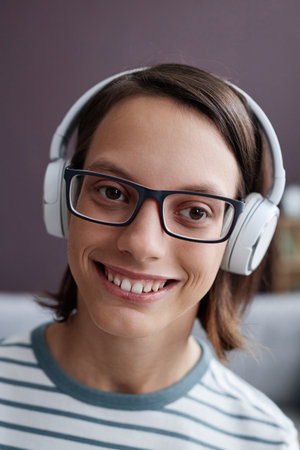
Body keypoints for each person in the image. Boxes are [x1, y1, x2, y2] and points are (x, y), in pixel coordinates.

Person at [0, 63, 298, 449]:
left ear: (243, 237)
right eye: (111, 192)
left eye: (195, 211)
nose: (142, 244)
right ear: (63, 198)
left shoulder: (266, 440)